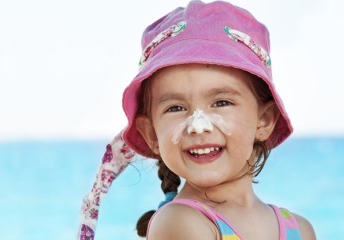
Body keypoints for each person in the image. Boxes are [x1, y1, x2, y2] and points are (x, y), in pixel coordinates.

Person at [121, 0, 316, 239]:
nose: (198, 125)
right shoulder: (180, 223)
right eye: (176, 107)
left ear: (263, 121)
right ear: (151, 134)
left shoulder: (300, 229)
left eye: (221, 103)